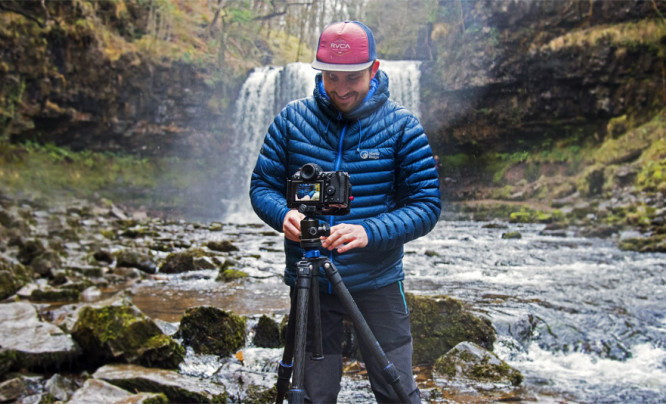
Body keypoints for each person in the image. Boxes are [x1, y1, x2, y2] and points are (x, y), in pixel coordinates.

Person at [250, 20, 441, 403]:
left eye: (351, 77)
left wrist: (370, 231)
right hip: (312, 282)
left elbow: (426, 205)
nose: (340, 89)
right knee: (312, 394)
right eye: (330, 78)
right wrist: (282, 214)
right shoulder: (291, 120)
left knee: (398, 390)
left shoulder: (401, 126)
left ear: (374, 68)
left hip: (378, 278)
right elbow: (262, 187)